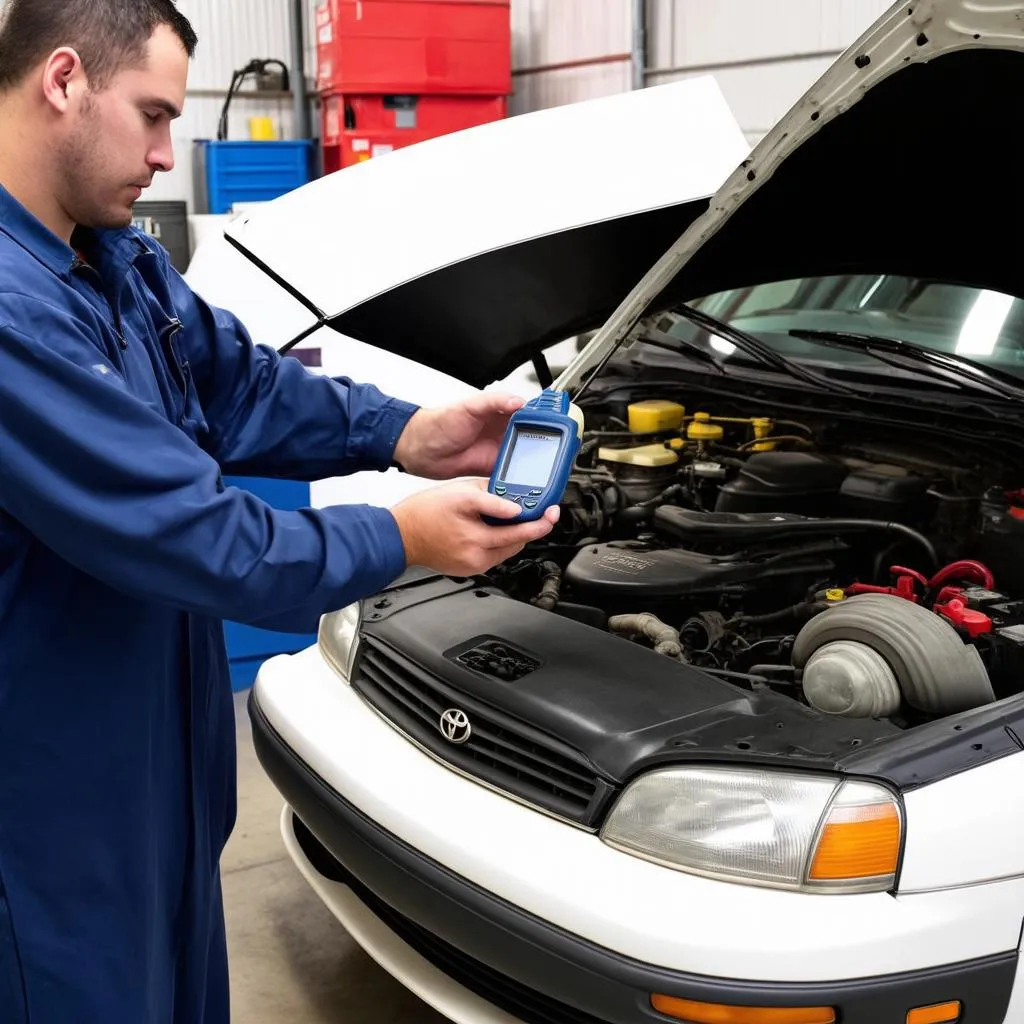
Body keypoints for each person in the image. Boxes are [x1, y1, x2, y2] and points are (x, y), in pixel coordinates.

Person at [0, 1, 559, 1021]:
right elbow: (202, 537)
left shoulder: (111, 258)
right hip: (48, 809)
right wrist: (404, 534)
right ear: (65, 81)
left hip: (155, 779)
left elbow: (241, 387)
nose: (170, 154)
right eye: (155, 116)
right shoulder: (9, 313)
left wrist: (414, 431)